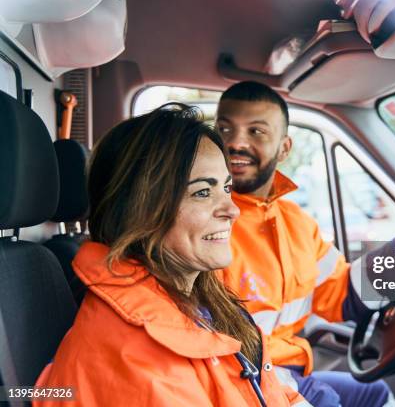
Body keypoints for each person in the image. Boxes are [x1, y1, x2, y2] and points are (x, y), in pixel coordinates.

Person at [34, 103, 309, 407]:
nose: (233, 210)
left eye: (227, 188)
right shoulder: (138, 358)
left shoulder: (205, 300)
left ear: (285, 148)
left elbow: (343, 288)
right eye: (203, 192)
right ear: (143, 207)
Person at [216, 81, 395, 407]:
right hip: (244, 377)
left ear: (284, 148)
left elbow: (339, 293)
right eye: (224, 129)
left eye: (256, 132)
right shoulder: (207, 224)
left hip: (286, 366)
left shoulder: (295, 221)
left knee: (377, 395)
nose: (235, 143)